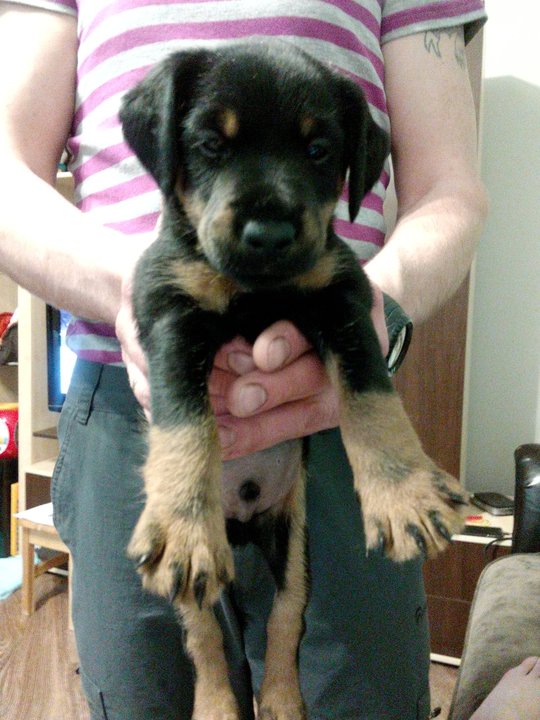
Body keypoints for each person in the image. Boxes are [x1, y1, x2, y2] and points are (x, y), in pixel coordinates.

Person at [0, 2, 488, 719]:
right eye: (213, 146)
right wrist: (136, 292)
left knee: (356, 697)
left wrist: (378, 312)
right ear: (166, 147)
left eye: (317, 154)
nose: (265, 216)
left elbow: (452, 187)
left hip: (332, 415)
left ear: (350, 163)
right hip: (130, 408)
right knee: (153, 693)